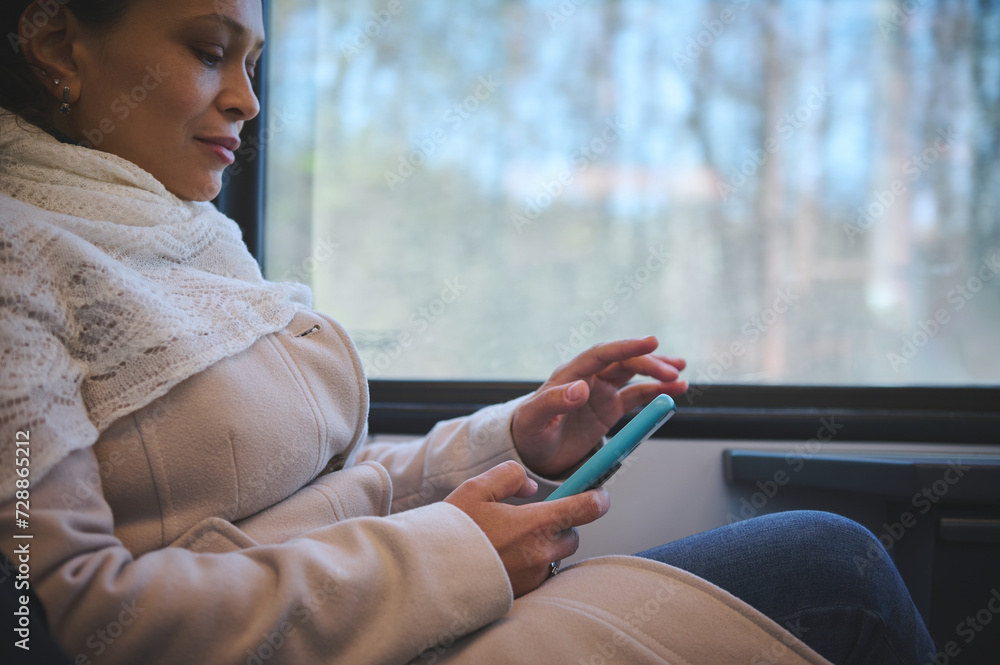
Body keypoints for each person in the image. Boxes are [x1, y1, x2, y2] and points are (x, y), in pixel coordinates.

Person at [0, 1, 936, 664]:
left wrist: (517, 436)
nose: (246, 99)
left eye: (253, 65)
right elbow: (72, 618)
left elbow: (335, 493)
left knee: (828, 554)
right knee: (832, 565)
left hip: (390, 607)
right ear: (56, 44)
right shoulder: (19, 260)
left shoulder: (188, 243)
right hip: (350, 625)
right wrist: (455, 553)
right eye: (211, 50)